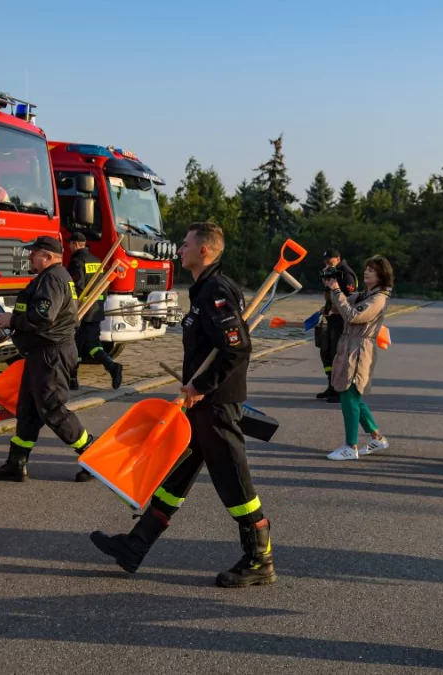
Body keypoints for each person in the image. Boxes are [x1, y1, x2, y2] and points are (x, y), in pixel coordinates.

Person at [90, 222, 275, 588]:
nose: (179, 250)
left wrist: (202, 385)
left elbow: (236, 348)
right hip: (201, 404)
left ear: (204, 250)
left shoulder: (216, 291)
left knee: (235, 484)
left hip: (216, 404)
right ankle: (136, 545)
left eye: (186, 244)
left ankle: (260, 559)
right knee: (176, 475)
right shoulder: (205, 288)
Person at [0, 235, 95, 483]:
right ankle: (16, 464)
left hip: (50, 355)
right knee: (28, 411)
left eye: (33, 253)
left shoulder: (53, 279)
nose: (28, 257)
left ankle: (92, 454)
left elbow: (44, 316)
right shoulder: (52, 278)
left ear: (47, 257)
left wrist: (11, 320)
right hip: (42, 355)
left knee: (52, 409)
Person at [324, 256, 393, 461]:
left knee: (349, 394)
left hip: (359, 348)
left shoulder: (378, 298)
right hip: (349, 344)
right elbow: (340, 306)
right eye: (366, 268)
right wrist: (333, 288)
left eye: (372, 270)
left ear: (382, 275)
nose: (367, 272)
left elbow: (353, 315)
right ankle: (377, 438)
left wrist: (337, 291)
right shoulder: (366, 293)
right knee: (353, 394)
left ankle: (350, 446)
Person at [67, 231, 123, 391]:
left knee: (74, 344)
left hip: (82, 311)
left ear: (76, 244)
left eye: (70, 244)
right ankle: (112, 366)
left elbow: (76, 287)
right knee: (92, 345)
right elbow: (103, 286)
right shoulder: (97, 261)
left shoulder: (77, 261)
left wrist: (72, 307)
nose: (69, 247)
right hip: (96, 309)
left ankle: (73, 379)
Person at [314, 249, 358, 402]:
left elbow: (350, 299)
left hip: (342, 322)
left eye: (329, 261)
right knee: (326, 352)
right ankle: (331, 386)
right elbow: (330, 295)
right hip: (331, 320)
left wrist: (335, 310)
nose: (327, 264)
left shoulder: (346, 274)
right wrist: (326, 308)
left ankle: (341, 391)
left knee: (338, 356)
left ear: (338, 258)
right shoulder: (331, 272)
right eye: (325, 261)